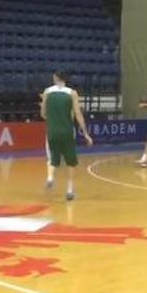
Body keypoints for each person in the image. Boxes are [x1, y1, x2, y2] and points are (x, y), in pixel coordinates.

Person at [41, 71, 94, 201]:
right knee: (70, 162)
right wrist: (86, 134)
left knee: (52, 157)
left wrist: (53, 116)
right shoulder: (72, 93)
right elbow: (78, 114)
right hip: (67, 131)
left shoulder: (47, 92)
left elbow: (43, 114)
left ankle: (50, 177)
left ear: (56, 78)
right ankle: (70, 190)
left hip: (52, 130)